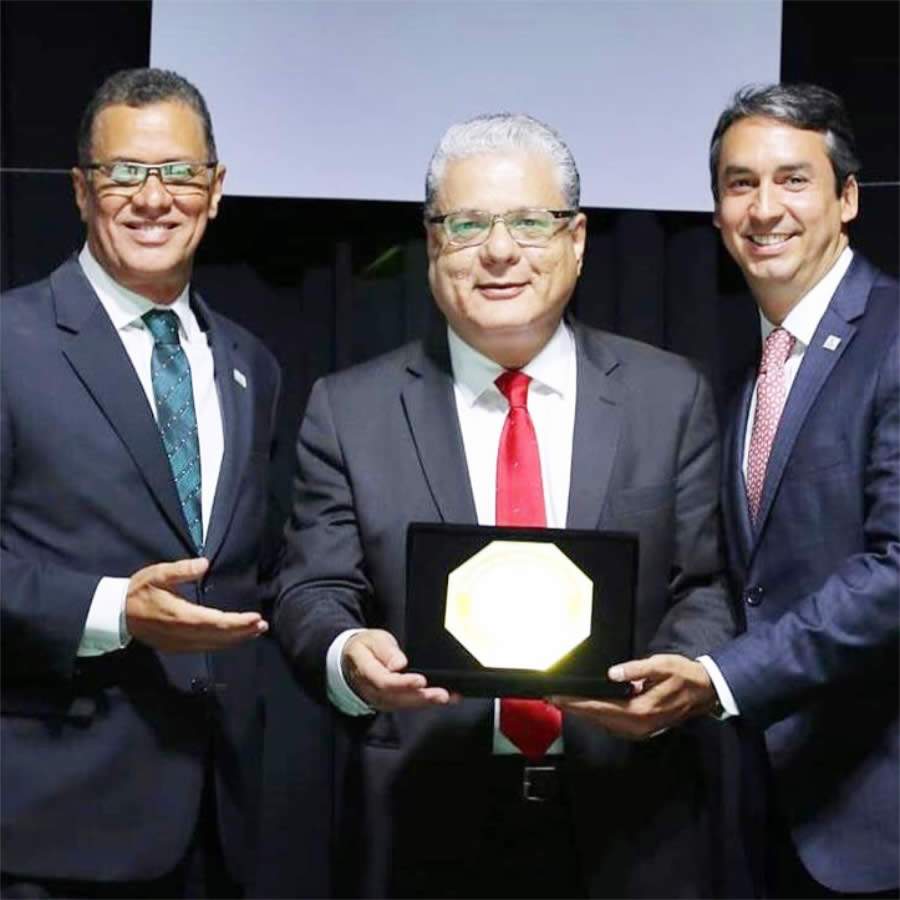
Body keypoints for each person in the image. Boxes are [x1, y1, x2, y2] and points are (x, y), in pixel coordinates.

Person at [273, 112, 736, 898]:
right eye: (467, 223)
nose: (498, 251)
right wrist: (348, 654)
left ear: (577, 240)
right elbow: (312, 588)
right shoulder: (350, 409)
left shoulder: (669, 396)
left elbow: (707, 583)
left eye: (529, 221)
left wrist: (677, 675)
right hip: (422, 822)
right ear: (431, 243)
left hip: (634, 817)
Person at [564, 84, 898, 898]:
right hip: (771, 813)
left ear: (847, 198)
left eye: (793, 179)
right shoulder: (755, 369)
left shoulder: (892, 337)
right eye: (740, 184)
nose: (764, 208)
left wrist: (716, 679)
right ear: (716, 213)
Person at [1, 68, 281, 898]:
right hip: (46, 832)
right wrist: (113, 610)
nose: (153, 198)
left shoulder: (249, 365)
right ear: (84, 190)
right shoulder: (10, 340)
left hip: (215, 825)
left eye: (179, 173)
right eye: (125, 172)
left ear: (216, 188)